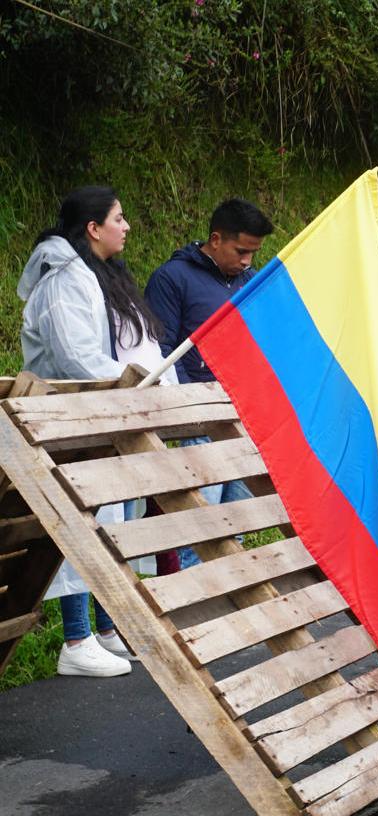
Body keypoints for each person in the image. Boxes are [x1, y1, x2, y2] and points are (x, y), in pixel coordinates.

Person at [19, 186, 178, 677]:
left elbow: (133, 344)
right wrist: (133, 386)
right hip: (71, 417)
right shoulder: (63, 278)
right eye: (119, 217)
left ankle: (105, 629)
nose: (127, 226)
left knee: (111, 526)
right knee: (81, 529)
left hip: (103, 414)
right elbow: (74, 357)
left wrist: (145, 385)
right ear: (93, 227)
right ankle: (75, 639)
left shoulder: (98, 273)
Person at [145, 198, 274, 568]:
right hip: (198, 421)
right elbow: (161, 349)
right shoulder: (172, 278)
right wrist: (192, 406)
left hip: (247, 419)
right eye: (241, 251)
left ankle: (222, 606)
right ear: (215, 239)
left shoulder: (251, 283)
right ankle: (192, 614)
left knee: (237, 523)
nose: (248, 260)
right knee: (198, 528)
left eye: (254, 252)